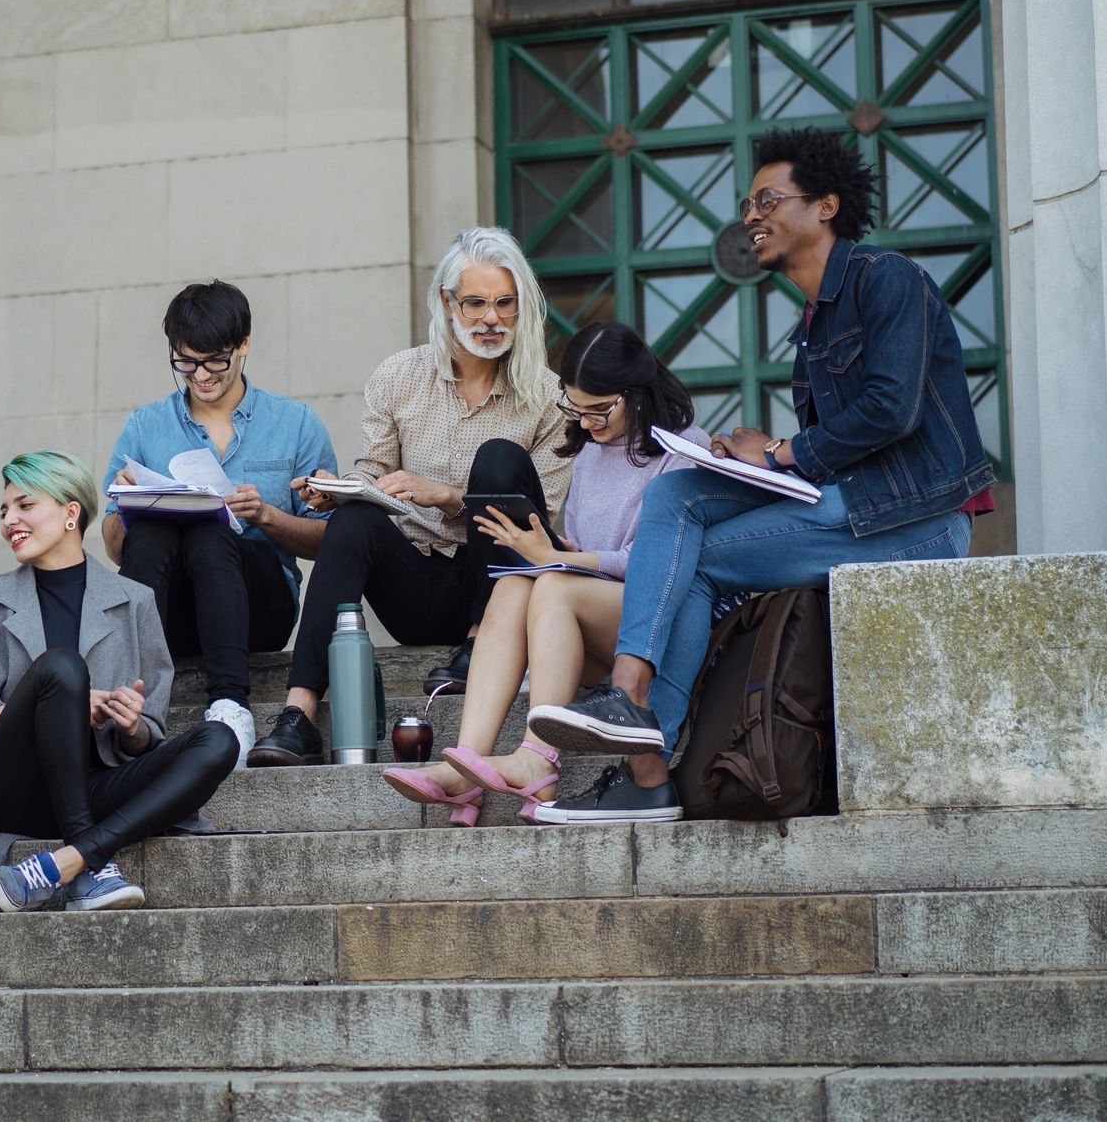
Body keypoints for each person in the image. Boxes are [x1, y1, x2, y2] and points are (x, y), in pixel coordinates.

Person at [528, 127, 995, 823]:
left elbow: (890, 410)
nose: (750, 215)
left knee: (692, 560)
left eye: (767, 200)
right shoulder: (812, 324)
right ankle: (630, 707)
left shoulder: (886, 278)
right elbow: (834, 447)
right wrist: (747, 461)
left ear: (825, 206)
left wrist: (775, 453)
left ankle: (644, 760)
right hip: (846, 504)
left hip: (913, 521)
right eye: (747, 204)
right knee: (676, 493)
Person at [247, 226, 572, 768]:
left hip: (500, 593)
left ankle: (478, 645)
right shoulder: (399, 375)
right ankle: (298, 715)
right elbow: (374, 471)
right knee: (353, 519)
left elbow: (543, 520)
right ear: (447, 303)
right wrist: (339, 490)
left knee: (498, 457)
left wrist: (450, 498)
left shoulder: (548, 395)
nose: (491, 318)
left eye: (504, 303)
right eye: (475, 303)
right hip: (415, 586)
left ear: (522, 308)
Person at [382, 321, 702, 822]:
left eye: (600, 409)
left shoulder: (684, 450)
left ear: (637, 393)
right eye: (576, 408)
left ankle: (537, 759)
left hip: (658, 627)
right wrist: (558, 551)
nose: (588, 423)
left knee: (551, 584)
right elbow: (591, 549)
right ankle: (468, 765)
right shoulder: (590, 452)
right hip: (596, 621)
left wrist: (561, 562)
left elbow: (657, 563)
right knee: (514, 583)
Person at [0, 451, 240, 913]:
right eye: (4, 511)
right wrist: (61, 706)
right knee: (62, 668)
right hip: (9, 789)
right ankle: (92, 867)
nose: (10, 521)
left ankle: (65, 863)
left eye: (25, 506)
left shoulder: (136, 601)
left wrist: (132, 726)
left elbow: (148, 734)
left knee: (219, 739)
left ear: (71, 512)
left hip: (94, 785)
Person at [103, 281, 337, 762]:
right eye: (186, 362)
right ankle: (133, 702)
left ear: (243, 345)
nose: (201, 375)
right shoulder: (145, 425)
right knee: (154, 530)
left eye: (215, 361)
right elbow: (113, 546)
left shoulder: (295, 423)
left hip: (259, 608)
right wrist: (130, 505)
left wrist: (267, 516)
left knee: (211, 530)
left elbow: (332, 542)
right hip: (172, 610)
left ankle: (231, 704)